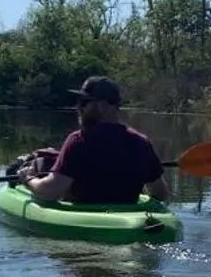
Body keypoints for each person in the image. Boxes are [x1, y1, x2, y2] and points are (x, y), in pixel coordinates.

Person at [16, 76, 170, 206]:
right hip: (126, 214)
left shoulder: (78, 140)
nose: (78, 108)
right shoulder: (141, 143)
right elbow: (160, 194)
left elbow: (51, 192)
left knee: (43, 165)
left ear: (103, 106)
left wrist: (29, 179)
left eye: (84, 102)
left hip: (86, 218)